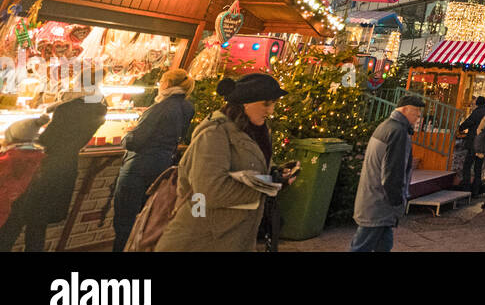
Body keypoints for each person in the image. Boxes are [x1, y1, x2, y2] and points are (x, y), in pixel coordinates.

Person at [155, 74, 298, 252]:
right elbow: (210, 191)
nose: (271, 111)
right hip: (201, 239)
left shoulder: (256, 131)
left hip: (234, 237)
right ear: (245, 102)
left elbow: (250, 166)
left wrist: (275, 175)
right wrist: (267, 186)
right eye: (266, 104)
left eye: (274, 104)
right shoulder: (215, 132)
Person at [0, 90, 109, 252]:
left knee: (13, 223)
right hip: (63, 170)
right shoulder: (96, 110)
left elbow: (47, 140)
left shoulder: (68, 109)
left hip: (41, 172)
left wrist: (18, 139)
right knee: (37, 225)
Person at [112, 68, 195, 252]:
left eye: (162, 82)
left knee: (125, 221)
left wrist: (126, 135)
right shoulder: (187, 107)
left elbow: (136, 141)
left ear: (167, 84)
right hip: (162, 167)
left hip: (137, 167)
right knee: (146, 219)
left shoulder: (159, 108)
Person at [351, 95, 424, 251]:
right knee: (362, 245)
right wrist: (398, 200)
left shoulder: (386, 126)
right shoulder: (398, 132)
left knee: (382, 243)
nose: (419, 116)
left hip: (374, 199)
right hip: (379, 202)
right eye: (416, 111)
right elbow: (393, 172)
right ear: (404, 110)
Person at [457, 96, 485, 197]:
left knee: (467, 165)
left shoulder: (477, 112)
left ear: (477, 103)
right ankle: (476, 190)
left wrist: (460, 128)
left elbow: (468, 123)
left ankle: (466, 188)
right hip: (483, 144)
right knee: (478, 168)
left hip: (473, 143)